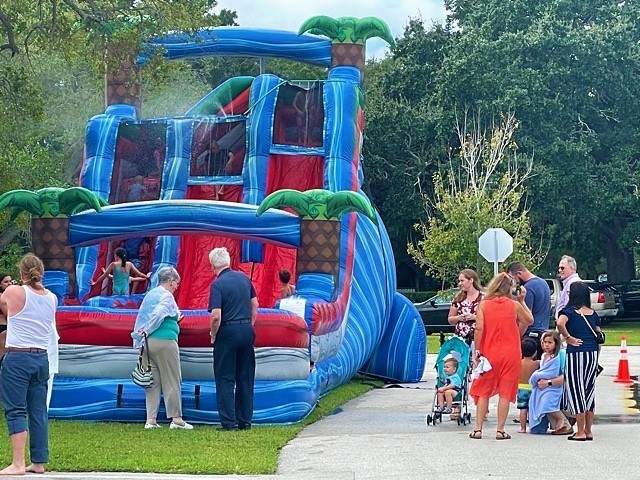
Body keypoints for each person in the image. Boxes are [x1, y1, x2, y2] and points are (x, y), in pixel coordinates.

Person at [0, 254, 57, 475]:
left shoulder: (14, 292)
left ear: (21, 272)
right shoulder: (52, 297)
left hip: (18, 357)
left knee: (15, 409)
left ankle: (17, 463)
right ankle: (39, 461)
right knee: (38, 410)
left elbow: (5, 308)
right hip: (41, 357)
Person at [468, 272, 533, 440]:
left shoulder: (484, 304)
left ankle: (478, 429)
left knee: (483, 390)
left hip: (489, 353)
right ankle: (500, 430)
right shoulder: (514, 305)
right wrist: (521, 301)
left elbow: (479, 329)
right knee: (505, 392)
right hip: (510, 353)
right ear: (509, 288)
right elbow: (529, 320)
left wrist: (477, 350)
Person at [131, 266, 192, 430]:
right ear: (171, 281)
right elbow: (159, 314)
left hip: (148, 344)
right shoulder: (167, 296)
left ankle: (150, 420)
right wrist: (150, 328)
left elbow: (143, 317)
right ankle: (176, 419)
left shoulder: (150, 295)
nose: (177, 286)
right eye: (176, 283)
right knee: (172, 379)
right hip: (165, 341)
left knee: (152, 382)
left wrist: (141, 336)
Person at [208, 247, 258, 430]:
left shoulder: (218, 284)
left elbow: (215, 315)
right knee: (245, 377)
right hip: (246, 330)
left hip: (227, 332)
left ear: (213, 265)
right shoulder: (244, 278)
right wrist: (250, 323)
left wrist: (213, 334)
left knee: (225, 377)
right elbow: (255, 303)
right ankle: (245, 420)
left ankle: (229, 421)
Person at [555, 281, 601, 441]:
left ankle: (580, 431)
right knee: (589, 391)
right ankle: (588, 430)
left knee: (576, 390)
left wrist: (568, 338)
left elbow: (560, 323)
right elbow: (598, 333)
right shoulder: (592, 313)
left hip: (576, 353)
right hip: (592, 353)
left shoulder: (569, 311)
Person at [527, 330, 570, 435]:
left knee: (547, 404)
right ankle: (553, 425)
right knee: (540, 403)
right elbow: (543, 370)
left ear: (556, 343)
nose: (546, 345)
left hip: (554, 387)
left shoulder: (560, 356)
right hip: (542, 387)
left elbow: (563, 376)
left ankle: (564, 422)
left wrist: (547, 382)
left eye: (550, 342)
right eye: (545, 342)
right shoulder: (543, 356)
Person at [507, 262, 551, 359]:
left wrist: (516, 337)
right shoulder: (543, 283)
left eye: (512, 278)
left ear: (519, 273)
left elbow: (526, 318)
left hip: (530, 336)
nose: (514, 282)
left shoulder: (528, 288)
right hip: (543, 333)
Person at [448, 269, 483, 345]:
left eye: (462, 281)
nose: (459, 283)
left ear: (471, 280)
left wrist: (474, 317)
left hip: (478, 339)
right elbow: (450, 319)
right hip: (460, 340)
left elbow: (489, 318)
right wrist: (459, 318)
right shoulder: (458, 298)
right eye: (459, 281)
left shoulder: (483, 298)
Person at [517, 339, 539, 433]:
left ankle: (522, 428)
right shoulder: (537, 363)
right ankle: (532, 426)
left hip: (521, 388)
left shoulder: (518, 362)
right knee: (532, 408)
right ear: (535, 352)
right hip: (533, 388)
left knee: (523, 409)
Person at [0, 272, 14, 361]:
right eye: (6, 282)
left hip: (5, 326)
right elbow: (9, 315)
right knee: (2, 355)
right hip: (3, 327)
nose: (9, 283)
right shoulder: (2, 297)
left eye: (10, 281)